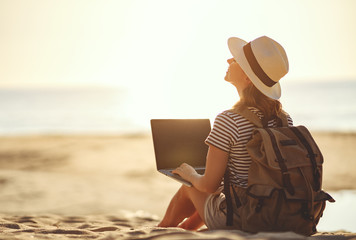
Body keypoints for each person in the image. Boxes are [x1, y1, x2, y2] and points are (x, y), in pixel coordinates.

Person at [158, 36, 292, 230]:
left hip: (244, 218)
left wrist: (191, 174)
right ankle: (186, 230)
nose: (229, 61)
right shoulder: (284, 119)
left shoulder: (229, 120)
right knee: (215, 197)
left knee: (189, 188)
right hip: (276, 212)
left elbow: (208, 186)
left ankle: (161, 230)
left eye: (236, 60)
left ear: (247, 77)